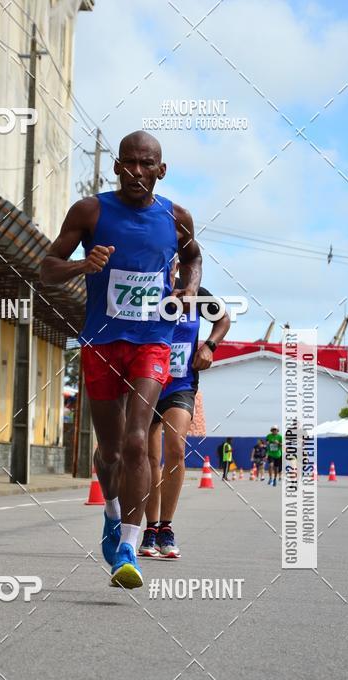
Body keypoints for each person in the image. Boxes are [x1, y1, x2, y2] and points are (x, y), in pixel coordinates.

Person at [40, 131, 202, 588]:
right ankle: (112, 515)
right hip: (101, 343)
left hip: (153, 341)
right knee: (110, 452)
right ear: (116, 166)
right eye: (129, 162)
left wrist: (188, 289)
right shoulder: (90, 212)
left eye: (146, 164)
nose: (137, 171)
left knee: (136, 442)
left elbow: (193, 258)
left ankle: (130, 547)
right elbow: (46, 268)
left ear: (161, 170)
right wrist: (81, 265)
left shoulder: (176, 216)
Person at [140, 274, 230, 559]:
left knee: (176, 449)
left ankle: (166, 528)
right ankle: (150, 528)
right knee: (150, 458)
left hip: (181, 384)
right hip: (146, 381)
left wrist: (209, 346)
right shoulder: (146, 287)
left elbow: (223, 319)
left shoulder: (196, 292)